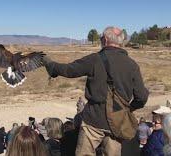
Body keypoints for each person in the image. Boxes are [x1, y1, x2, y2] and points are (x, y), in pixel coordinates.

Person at [44, 26, 149, 156]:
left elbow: (70, 70)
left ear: (104, 39)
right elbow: (142, 96)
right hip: (117, 122)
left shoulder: (94, 59)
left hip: (93, 120)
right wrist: (128, 109)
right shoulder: (132, 64)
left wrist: (51, 66)